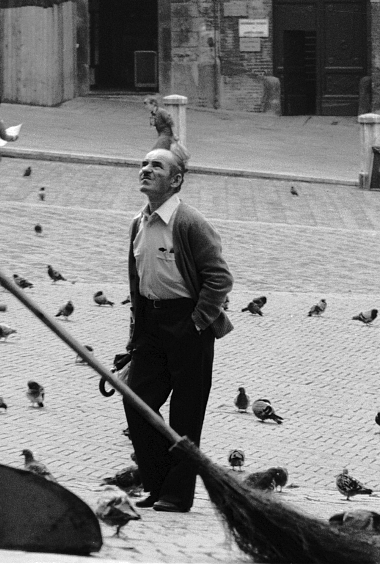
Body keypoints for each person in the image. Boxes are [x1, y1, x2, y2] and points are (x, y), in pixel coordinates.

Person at [125, 142, 234, 513]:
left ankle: (177, 494)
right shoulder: (138, 223)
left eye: (156, 166)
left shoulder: (189, 223)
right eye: (144, 163)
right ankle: (155, 483)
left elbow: (219, 278)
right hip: (151, 325)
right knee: (137, 401)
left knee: (186, 415)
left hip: (188, 324)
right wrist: (134, 338)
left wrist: (197, 322)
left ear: (176, 180)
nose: (146, 169)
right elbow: (137, 283)